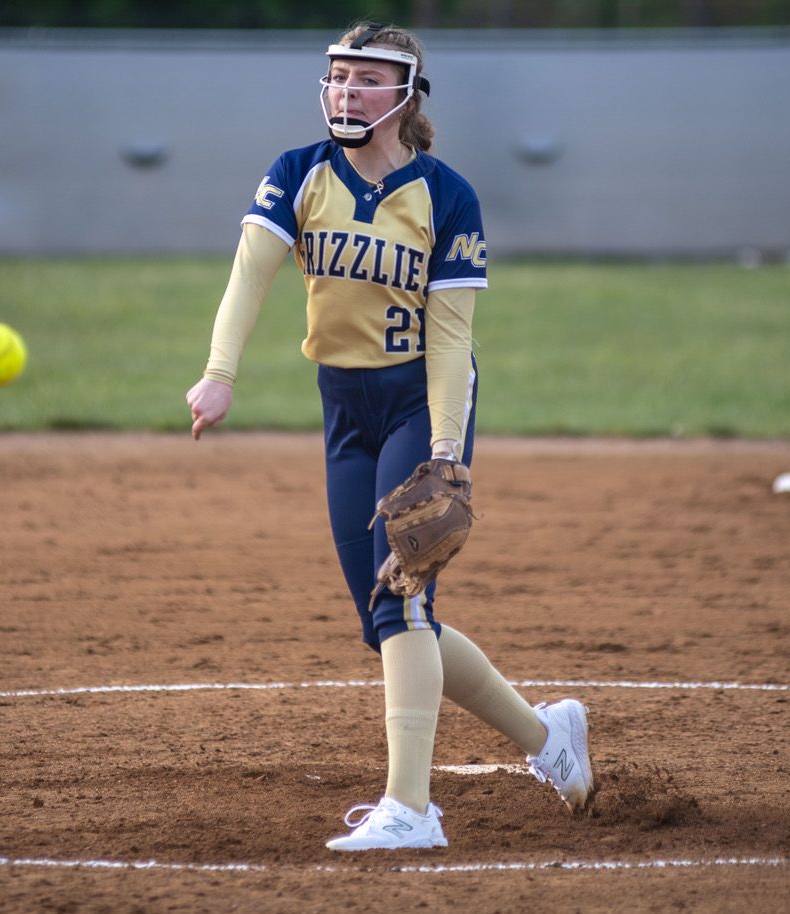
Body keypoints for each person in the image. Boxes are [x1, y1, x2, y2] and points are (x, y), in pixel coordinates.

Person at [185, 21, 593, 851]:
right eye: (339, 75)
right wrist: (220, 372)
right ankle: (548, 738)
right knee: (386, 619)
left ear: (406, 95)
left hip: (418, 403)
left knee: (401, 597)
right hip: (345, 407)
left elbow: (450, 337)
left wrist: (444, 448)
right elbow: (250, 273)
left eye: (367, 77)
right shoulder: (298, 173)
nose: (347, 90)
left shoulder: (447, 195)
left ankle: (411, 809)